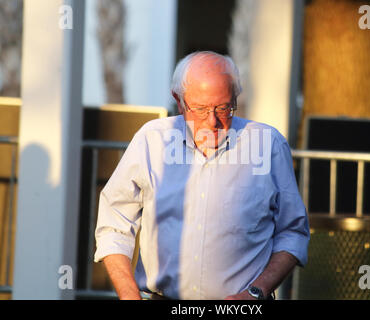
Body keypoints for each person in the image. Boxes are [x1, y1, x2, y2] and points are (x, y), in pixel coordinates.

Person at [94, 51, 310, 300]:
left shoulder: (268, 145)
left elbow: (293, 232)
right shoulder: (152, 141)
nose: (212, 121)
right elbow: (114, 224)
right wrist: (128, 293)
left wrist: (256, 291)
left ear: (235, 99)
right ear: (179, 100)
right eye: (200, 108)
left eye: (223, 108)